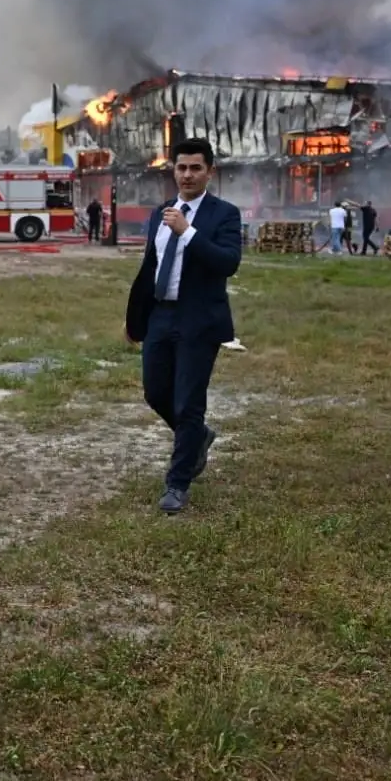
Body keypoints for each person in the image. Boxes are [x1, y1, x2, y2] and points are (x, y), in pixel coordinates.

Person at [124, 137, 243, 515]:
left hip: (199, 320)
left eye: (195, 168)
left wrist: (187, 232)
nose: (187, 174)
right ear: (172, 170)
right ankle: (198, 439)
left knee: (188, 402)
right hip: (161, 315)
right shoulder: (162, 211)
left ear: (210, 172)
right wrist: (135, 319)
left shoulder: (224, 214)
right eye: (181, 167)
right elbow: (150, 269)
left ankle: (177, 483)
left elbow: (227, 263)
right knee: (155, 393)